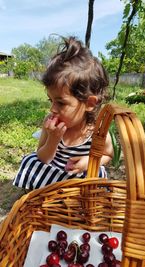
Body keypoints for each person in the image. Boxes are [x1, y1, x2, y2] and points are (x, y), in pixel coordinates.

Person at [13, 36, 113, 190]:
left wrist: (89, 162)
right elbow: (43, 158)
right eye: (50, 100)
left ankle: (80, 208)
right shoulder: (51, 123)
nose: (52, 109)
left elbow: (108, 155)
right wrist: (53, 140)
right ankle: (43, 200)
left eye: (61, 102)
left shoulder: (97, 132)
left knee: (97, 176)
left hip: (80, 181)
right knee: (30, 161)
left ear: (89, 103)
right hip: (54, 177)